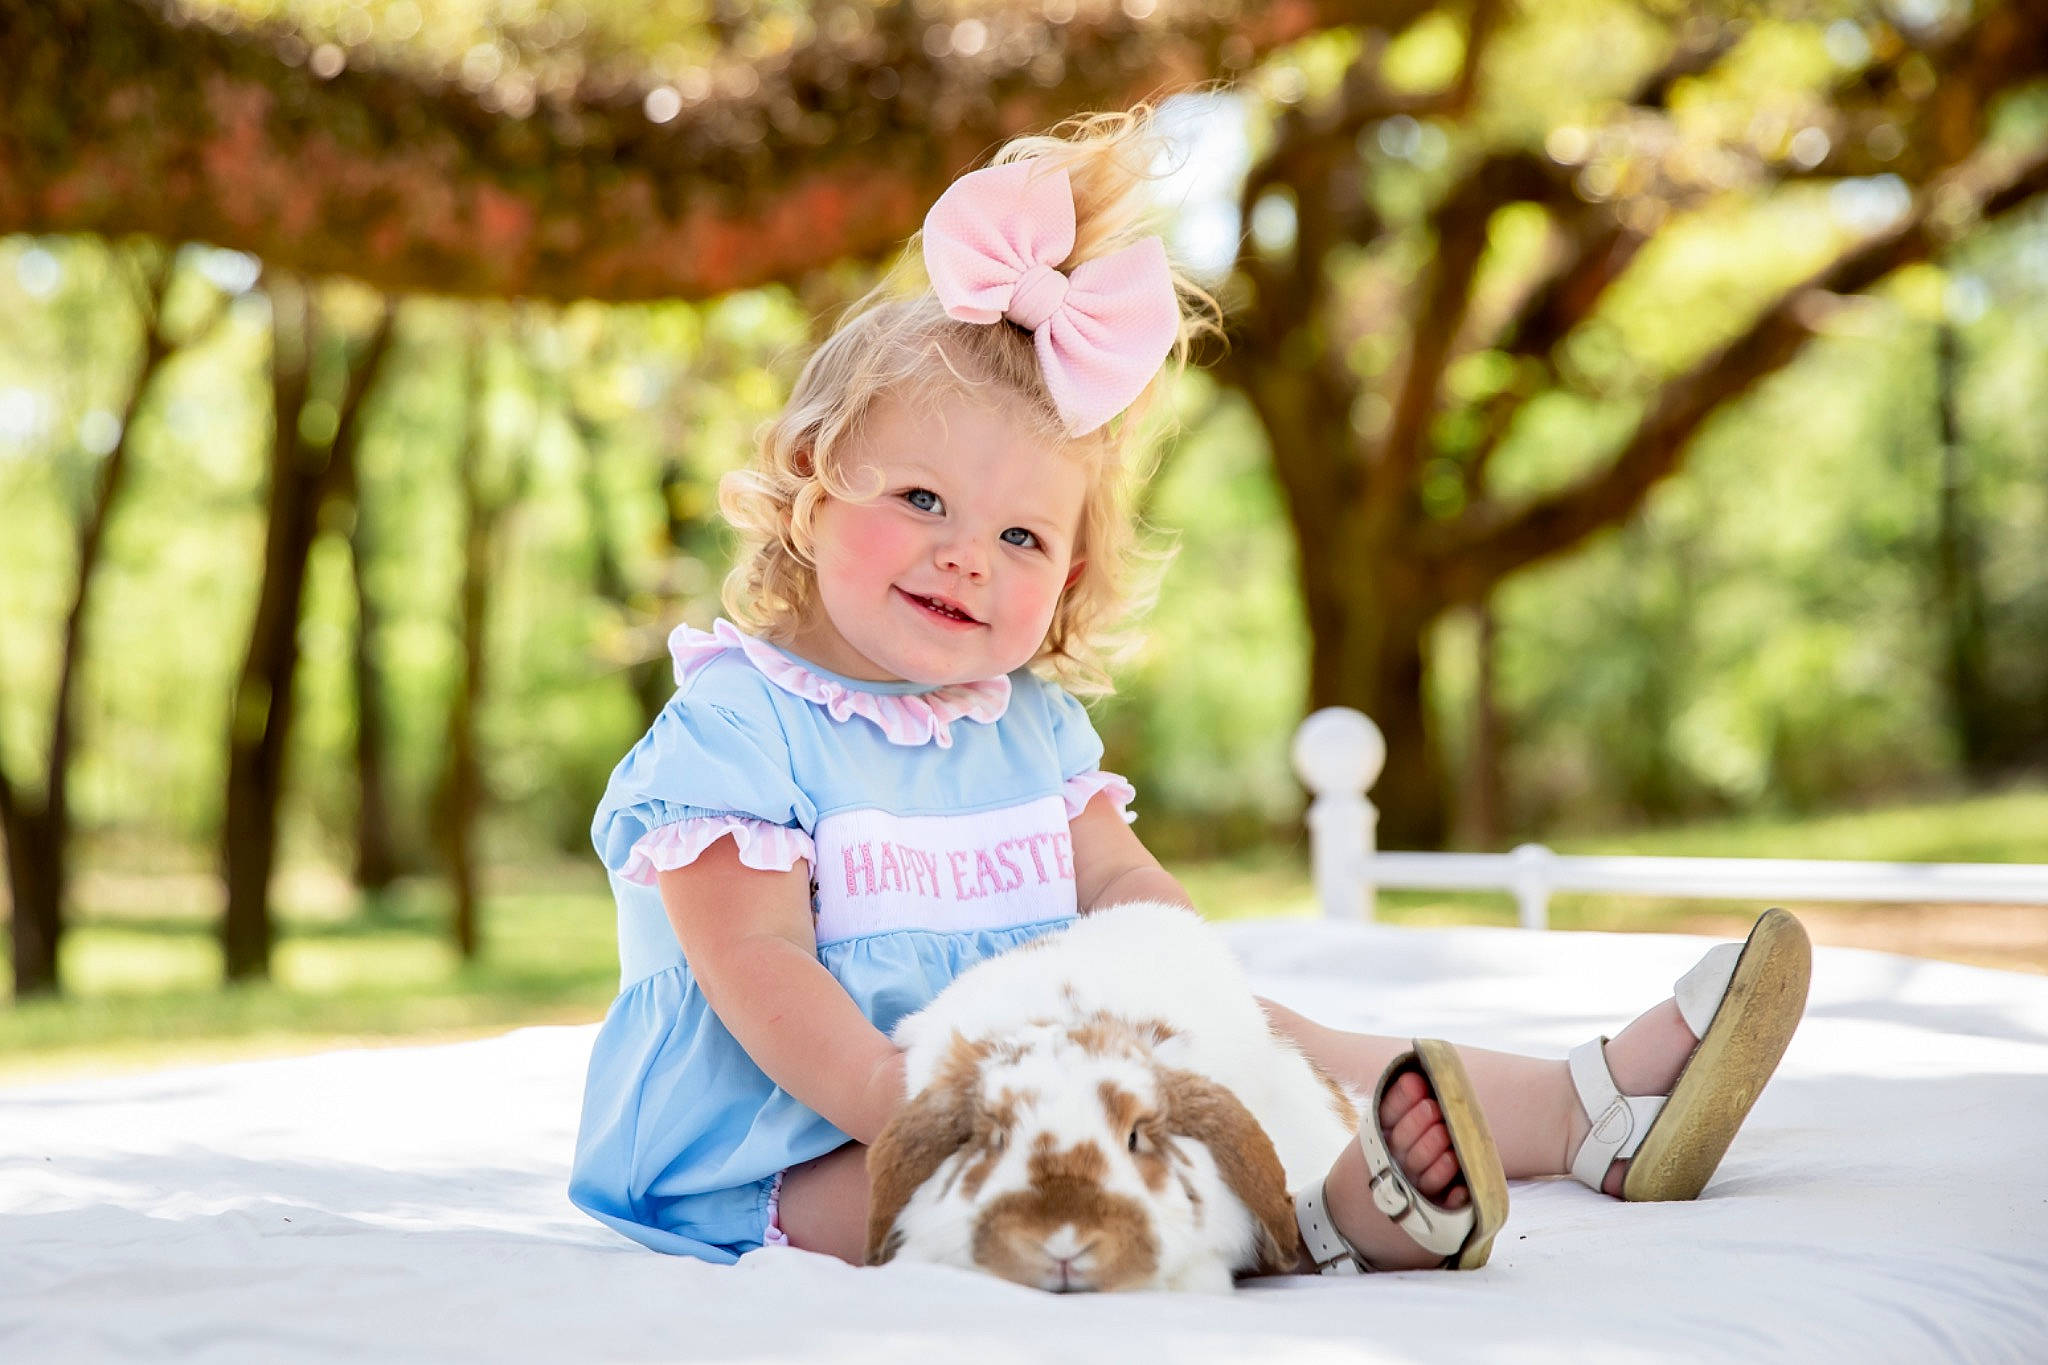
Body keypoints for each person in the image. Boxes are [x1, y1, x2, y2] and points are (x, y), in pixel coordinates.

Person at [568, 106, 1811, 1277]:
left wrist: (1187, 1003)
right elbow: (762, 971)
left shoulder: (1030, 727)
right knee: (1001, 1192)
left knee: (1263, 1035)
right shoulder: (738, 727)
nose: (965, 554)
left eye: (1021, 540)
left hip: (1046, 1066)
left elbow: (1116, 887)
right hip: (798, 1143)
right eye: (921, 501)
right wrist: (941, 1120)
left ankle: (1583, 1110)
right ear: (809, 484)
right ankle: (1315, 1218)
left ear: (1066, 583)